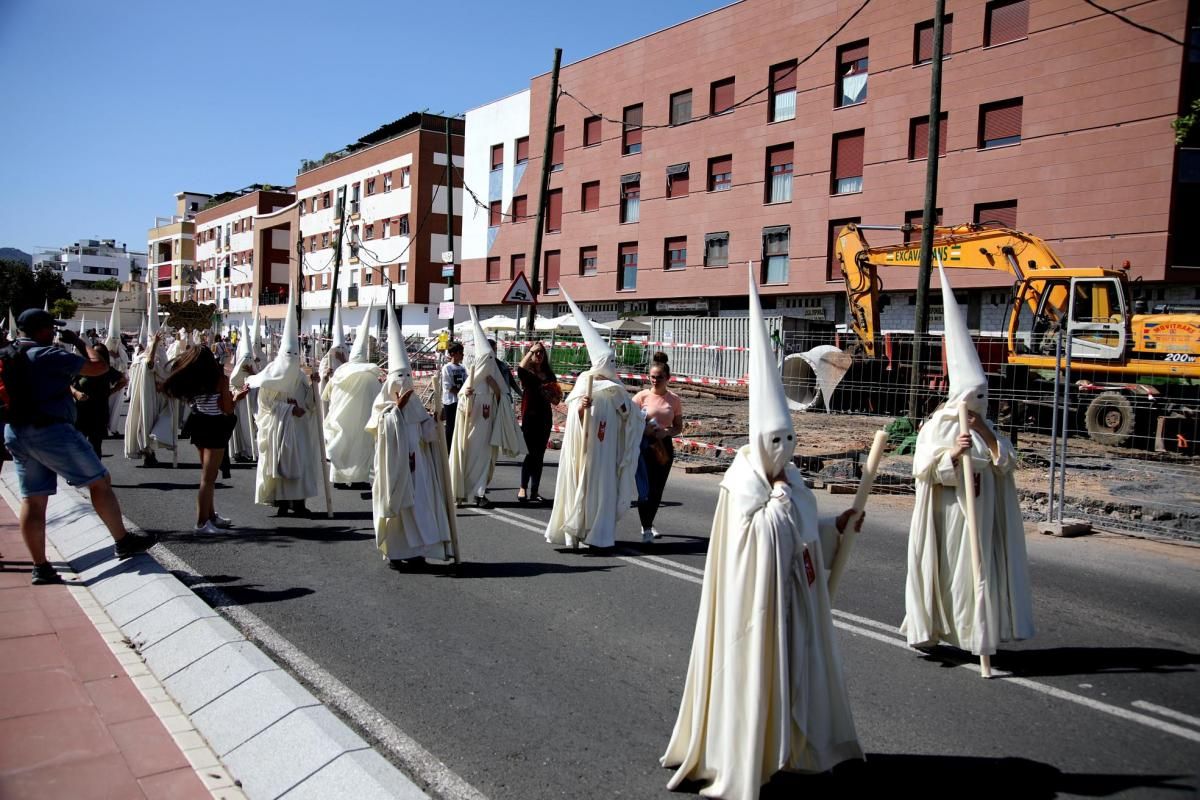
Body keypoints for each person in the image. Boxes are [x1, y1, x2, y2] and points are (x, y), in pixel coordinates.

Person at [662, 270, 863, 799]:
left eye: (791, 438)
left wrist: (832, 526)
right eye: (777, 439)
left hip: (790, 606)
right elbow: (748, 547)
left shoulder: (788, 477)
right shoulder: (741, 481)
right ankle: (745, 753)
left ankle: (792, 749)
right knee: (753, 678)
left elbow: (797, 530)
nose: (787, 448)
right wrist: (776, 497)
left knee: (794, 676)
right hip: (753, 613)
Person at [901, 264, 1034, 656]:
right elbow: (923, 470)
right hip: (952, 517)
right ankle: (943, 630)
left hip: (984, 515)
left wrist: (988, 436)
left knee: (980, 577)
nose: (978, 403)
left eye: (983, 394)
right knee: (954, 578)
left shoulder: (987, 424)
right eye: (972, 395)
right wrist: (954, 453)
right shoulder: (938, 424)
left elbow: (1007, 464)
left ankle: (977, 639)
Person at [3, 309, 156, 585]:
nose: (53, 332)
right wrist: (80, 342)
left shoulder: (9, 352)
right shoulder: (47, 354)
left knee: (33, 500)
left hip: (17, 430)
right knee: (100, 481)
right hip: (51, 430)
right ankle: (122, 540)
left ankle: (40, 566)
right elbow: (99, 367)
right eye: (51, 328)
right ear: (42, 329)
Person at [545, 288, 642, 550]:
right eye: (608, 360)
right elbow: (573, 418)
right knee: (581, 487)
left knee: (602, 490)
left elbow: (629, 417)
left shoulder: (616, 388)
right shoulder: (583, 382)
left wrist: (628, 412)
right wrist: (581, 409)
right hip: (586, 449)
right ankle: (575, 531)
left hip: (607, 449)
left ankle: (597, 533)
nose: (612, 363)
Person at [366, 301, 455, 569]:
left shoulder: (415, 403)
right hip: (395, 470)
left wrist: (435, 421)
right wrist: (397, 409)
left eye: (408, 376)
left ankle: (419, 553)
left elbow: (427, 434)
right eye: (399, 376)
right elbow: (380, 431)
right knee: (399, 511)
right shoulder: (382, 407)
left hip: (418, 468)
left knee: (421, 510)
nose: (404, 381)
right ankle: (395, 553)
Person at [249, 294, 324, 517]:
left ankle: (298, 503)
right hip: (278, 431)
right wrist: (289, 409)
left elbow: (310, 403)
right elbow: (265, 404)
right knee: (279, 462)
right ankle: (281, 502)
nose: (291, 358)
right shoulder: (273, 374)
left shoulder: (300, 375)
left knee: (300, 462)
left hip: (298, 429)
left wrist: (313, 386)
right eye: (288, 354)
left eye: (294, 354)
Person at [161, 343, 247, 533]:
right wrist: (237, 397)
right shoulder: (220, 380)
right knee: (209, 478)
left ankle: (210, 516)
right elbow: (226, 408)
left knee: (207, 475)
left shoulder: (192, 380)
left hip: (198, 424)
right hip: (215, 426)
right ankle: (202, 522)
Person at [449, 308, 526, 507]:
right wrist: (466, 397)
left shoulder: (497, 383)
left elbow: (503, 406)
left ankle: (480, 494)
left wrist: (498, 391)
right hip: (471, 433)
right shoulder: (472, 381)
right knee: (466, 462)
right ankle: (461, 493)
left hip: (488, 433)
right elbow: (462, 408)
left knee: (485, 463)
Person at [324, 299, 382, 487]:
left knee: (345, 446)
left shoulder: (341, 371)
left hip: (345, 418)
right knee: (359, 448)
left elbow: (328, 393)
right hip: (359, 419)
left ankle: (342, 478)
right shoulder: (370, 374)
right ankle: (356, 478)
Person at [632, 352, 683, 543]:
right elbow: (627, 418)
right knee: (644, 488)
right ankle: (646, 528)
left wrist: (667, 433)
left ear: (668, 378)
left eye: (659, 377)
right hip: (644, 446)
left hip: (663, 447)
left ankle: (648, 522)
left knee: (657, 489)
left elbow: (678, 426)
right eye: (652, 376)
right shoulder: (641, 396)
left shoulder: (674, 399)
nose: (655, 380)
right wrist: (642, 429)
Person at [516, 342, 560, 504]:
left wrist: (552, 396)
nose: (539, 355)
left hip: (544, 417)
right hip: (529, 417)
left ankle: (535, 490)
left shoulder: (549, 374)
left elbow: (556, 399)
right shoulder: (527, 373)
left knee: (539, 456)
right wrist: (530, 350)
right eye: (536, 353)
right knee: (530, 453)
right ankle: (523, 488)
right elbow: (519, 368)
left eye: (541, 352)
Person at [71, 343, 126, 457]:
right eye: (95, 353)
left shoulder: (107, 370)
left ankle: (95, 472)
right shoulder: (83, 368)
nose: (97, 355)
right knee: (78, 445)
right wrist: (76, 393)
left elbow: (123, 380)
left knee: (95, 446)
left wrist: (111, 392)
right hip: (82, 412)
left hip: (99, 412)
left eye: (100, 354)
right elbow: (67, 383)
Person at [228, 321, 258, 463]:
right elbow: (232, 386)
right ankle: (239, 451)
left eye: (249, 359)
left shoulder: (254, 370)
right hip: (238, 406)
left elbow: (259, 386)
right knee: (239, 429)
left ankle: (249, 450)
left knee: (249, 428)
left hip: (250, 405)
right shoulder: (235, 374)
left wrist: (253, 375)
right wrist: (239, 392)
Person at [440, 341, 466, 450]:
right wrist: (461, 393)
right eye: (460, 352)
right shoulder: (447, 368)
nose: (462, 355)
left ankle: (457, 448)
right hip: (451, 401)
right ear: (452, 354)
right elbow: (448, 386)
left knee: (460, 426)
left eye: (462, 352)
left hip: (461, 400)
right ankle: (448, 449)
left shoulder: (463, 368)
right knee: (450, 427)